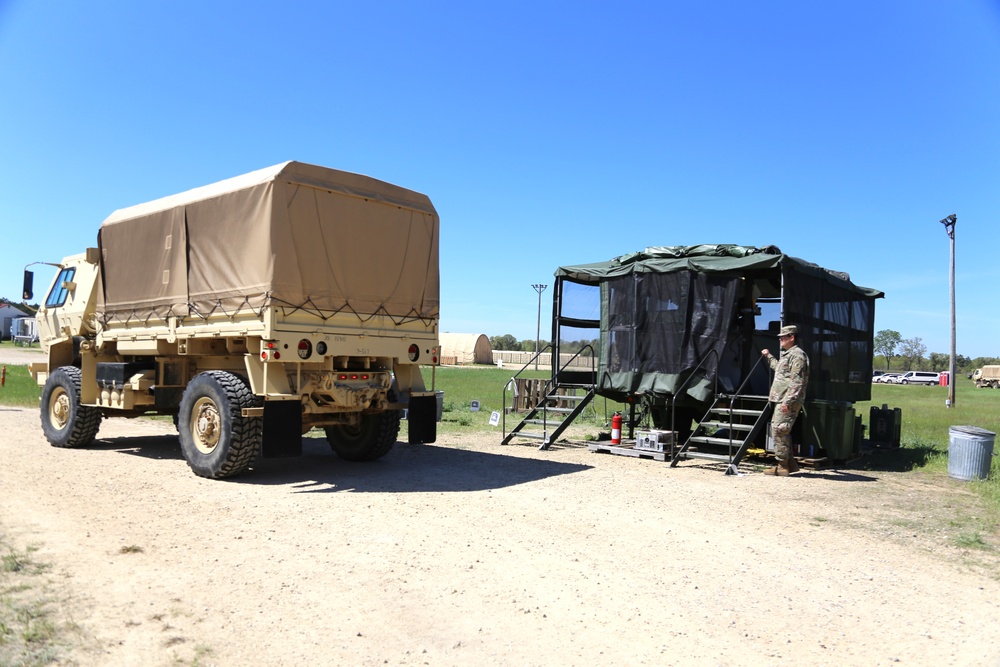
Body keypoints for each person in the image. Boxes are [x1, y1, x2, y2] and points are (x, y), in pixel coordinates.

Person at [760, 324, 809, 476]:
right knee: (781, 430)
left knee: (779, 430)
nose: (780, 339)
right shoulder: (788, 355)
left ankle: (782, 466)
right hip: (782, 399)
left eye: (783, 337)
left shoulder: (797, 355)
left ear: (792, 337)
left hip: (787, 400)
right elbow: (780, 370)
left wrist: (788, 402)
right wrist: (768, 356)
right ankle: (791, 464)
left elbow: (797, 381)